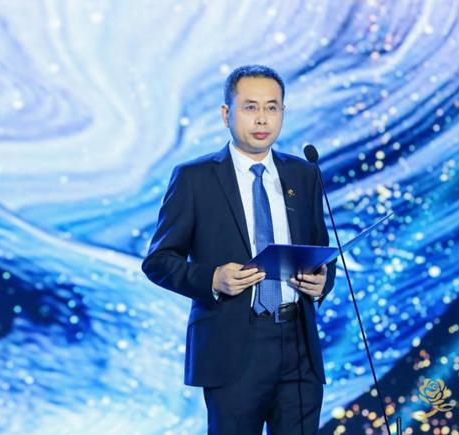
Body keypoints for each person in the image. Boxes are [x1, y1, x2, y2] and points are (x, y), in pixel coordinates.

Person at [142, 64, 336, 435]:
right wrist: (212, 279)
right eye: (250, 107)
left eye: (272, 107)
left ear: (282, 112)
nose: (262, 118)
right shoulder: (195, 178)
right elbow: (159, 261)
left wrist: (321, 283)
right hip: (232, 348)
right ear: (226, 113)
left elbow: (320, 251)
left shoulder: (304, 174)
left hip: (299, 345)